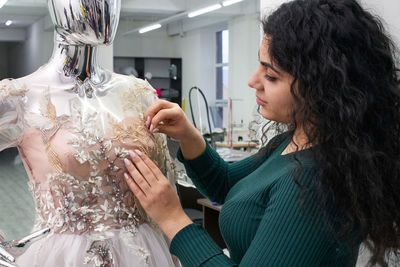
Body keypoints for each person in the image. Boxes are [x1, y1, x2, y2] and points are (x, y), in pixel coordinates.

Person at [122, 0, 400, 266]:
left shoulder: (314, 182)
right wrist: (188, 135)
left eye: (271, 76)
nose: (252, 81)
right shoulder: (295, 141)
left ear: (321, 87)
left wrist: (173, 219)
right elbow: (229, 187)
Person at [0, 0, 179, 266]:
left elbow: (166, 185)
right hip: (65, 256)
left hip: (145, 252)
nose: (103, 7)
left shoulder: (139, 92)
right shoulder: (21, 96)